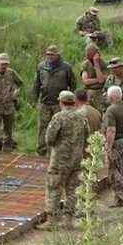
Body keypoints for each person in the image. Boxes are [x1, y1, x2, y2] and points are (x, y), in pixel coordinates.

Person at [38, 91, 89, 230]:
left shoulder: (58, 117)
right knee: (72, 190)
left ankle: (52, 220)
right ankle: (68, 220)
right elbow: (87, 137)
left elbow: (49, 138)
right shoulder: (82, 117)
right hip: (77, 159)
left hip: (60, 160)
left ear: (61, 102)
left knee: (54, 188)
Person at [33, 45, 76, 156]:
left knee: (59, 127)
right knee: (43, 127)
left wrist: (69, 101)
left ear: (58, 55)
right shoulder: (41, 66)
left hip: (60, 103)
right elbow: (37, 84)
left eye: (52, 54)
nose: (49, 56)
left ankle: (56, 151)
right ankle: (41, 151)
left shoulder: (66, 67)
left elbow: (73, 84)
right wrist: (35, 99)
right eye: (48, 54)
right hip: (45, 102)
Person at [80, 43, 109, 112]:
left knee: (100, 112)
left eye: (89, 54)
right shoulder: (85, 64)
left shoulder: (104, 64)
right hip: (88, 92)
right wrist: (98, 80)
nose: (87, 56)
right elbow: (86, 81)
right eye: (87, 53)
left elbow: (101, 80)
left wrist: (96, 64)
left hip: (100, 92)